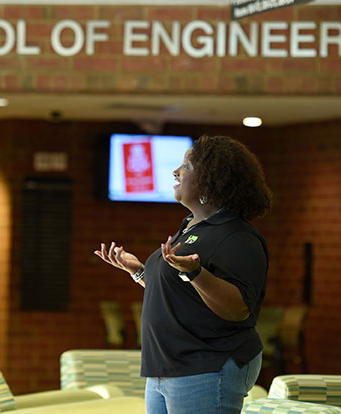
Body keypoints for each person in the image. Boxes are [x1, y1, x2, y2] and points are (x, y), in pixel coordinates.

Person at [95, 135, 272, 414]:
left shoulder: (236, 235)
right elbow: (183, 295)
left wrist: (196, 272)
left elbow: (238, 308)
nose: (176, 172)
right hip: (165, 367)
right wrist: (140, 272)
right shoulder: (192, 227)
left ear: (213, 180)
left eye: (187, 167)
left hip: (207, 364)